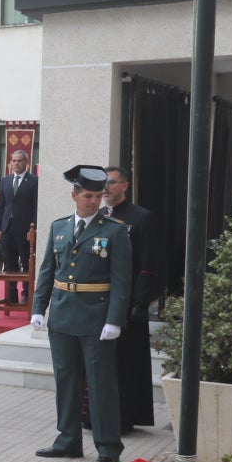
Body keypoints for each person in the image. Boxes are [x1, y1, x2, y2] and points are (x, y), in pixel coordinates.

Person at [30, 165, 132, 462]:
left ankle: (108, 448)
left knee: (101, 385)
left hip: (96, 318)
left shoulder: (114, 230)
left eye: (98, 196)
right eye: (87, 195)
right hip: (62, 315)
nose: (93, 201)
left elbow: (121, 280)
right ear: (74, 195)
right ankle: (68, 439)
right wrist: (39, 307)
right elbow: (47, 270)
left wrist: (114, 319)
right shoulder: (59, 227)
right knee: (66, 380)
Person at [100, 165, 162, 431]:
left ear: (124, 185)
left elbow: (148, 263)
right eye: (103, 183)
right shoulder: (99, 216)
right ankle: (95, 415)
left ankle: (125, 417)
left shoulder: (140, 217)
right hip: (99, 301)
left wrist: (140, 301)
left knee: (125, 363)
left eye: (111, 183)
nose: (105, 188)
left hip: (128, 304)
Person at [0, 149, 39, 301]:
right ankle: (10, 294)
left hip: (25, 229)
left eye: (19, 160)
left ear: (26, 163)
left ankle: (26, 294)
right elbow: (1, 206)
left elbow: (36, 206)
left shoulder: (34, 181)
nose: (16, 163)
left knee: (27, 262)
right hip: (7, 228)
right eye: (14, 160)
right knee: (9, 262)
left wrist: (33, 228)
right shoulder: (6, 180)